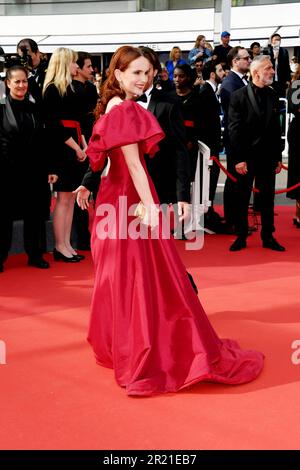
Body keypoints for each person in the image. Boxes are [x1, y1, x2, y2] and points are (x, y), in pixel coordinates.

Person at [80, 45, 264, 396]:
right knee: (139, 276)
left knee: (128, 276)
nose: (143, 78)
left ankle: (129, 346)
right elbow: (133, 165)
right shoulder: (123, 110)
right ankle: (142, 351)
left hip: (118, 201)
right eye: (135, 72)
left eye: (147, 73)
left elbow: (107, 163)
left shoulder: (114, 108)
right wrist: (150, 208)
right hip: (130, 201)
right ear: (117, 74)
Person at [0, 66, 58, 273]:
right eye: (17, 81)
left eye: (24, 81)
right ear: (8, 83)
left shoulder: (35, 108)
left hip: (34, 170)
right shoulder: (1, 108)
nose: (21, 85)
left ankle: (35, 255)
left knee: (35, 214)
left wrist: (51, 167)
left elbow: (44, 141)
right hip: (7, 171)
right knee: (4, 216)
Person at [228, 55, 285, 252]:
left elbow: (276, 130)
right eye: (269, 68)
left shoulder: (273, 94)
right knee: (242, 197)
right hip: (246, 157)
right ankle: (241, 236)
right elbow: (234, 130)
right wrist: (238, 159)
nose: (273, 71)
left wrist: (278, 156)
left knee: (267, 199)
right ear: (256, 72)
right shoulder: (238, 96)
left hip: (268, 157)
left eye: (272, 68)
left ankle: (268, 236)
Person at [43, 47, 87, 262]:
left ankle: (67, 243)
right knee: (63, 199)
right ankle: (60, 246)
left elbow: (78, 123)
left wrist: (84, 145)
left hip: (74, 145)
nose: (77, 66)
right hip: (61, 149)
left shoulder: (70, 88)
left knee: (69, 198)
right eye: (74, 62)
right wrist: (77, 147)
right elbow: (54, 126)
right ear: (63, 63)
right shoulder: (52, 89)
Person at [220, 46, 251, 232]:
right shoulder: (230, 84)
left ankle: (237, 221)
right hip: (236, 141)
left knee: (240, 183)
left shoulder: (239, 81)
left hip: (242, 140)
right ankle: (234, 222)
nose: (249, 60)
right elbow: (237, 117)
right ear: (235, 61)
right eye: (245, 58)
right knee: (236, 183)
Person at [72, 51, 98, 250]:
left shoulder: (90, 88)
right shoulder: (71, 89)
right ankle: (81, 235)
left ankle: (89, 231)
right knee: (80, 187)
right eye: (88, 66)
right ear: (78, 68)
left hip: (93, 140)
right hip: (79, 143)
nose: (92, 69)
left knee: (92, 185)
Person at [286, 64, 300, 226]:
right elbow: (295, 108)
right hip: (299, 133)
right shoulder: (297, 84)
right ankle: (298, 214)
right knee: (299, 173)